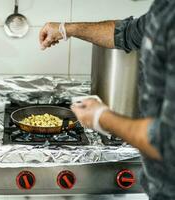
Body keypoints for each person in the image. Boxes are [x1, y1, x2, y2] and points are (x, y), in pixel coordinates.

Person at [39, 0, 175, 199]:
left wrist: (102, 117)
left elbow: (167, 140)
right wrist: (66, 29)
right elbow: (128, 33)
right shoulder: (165, 9)